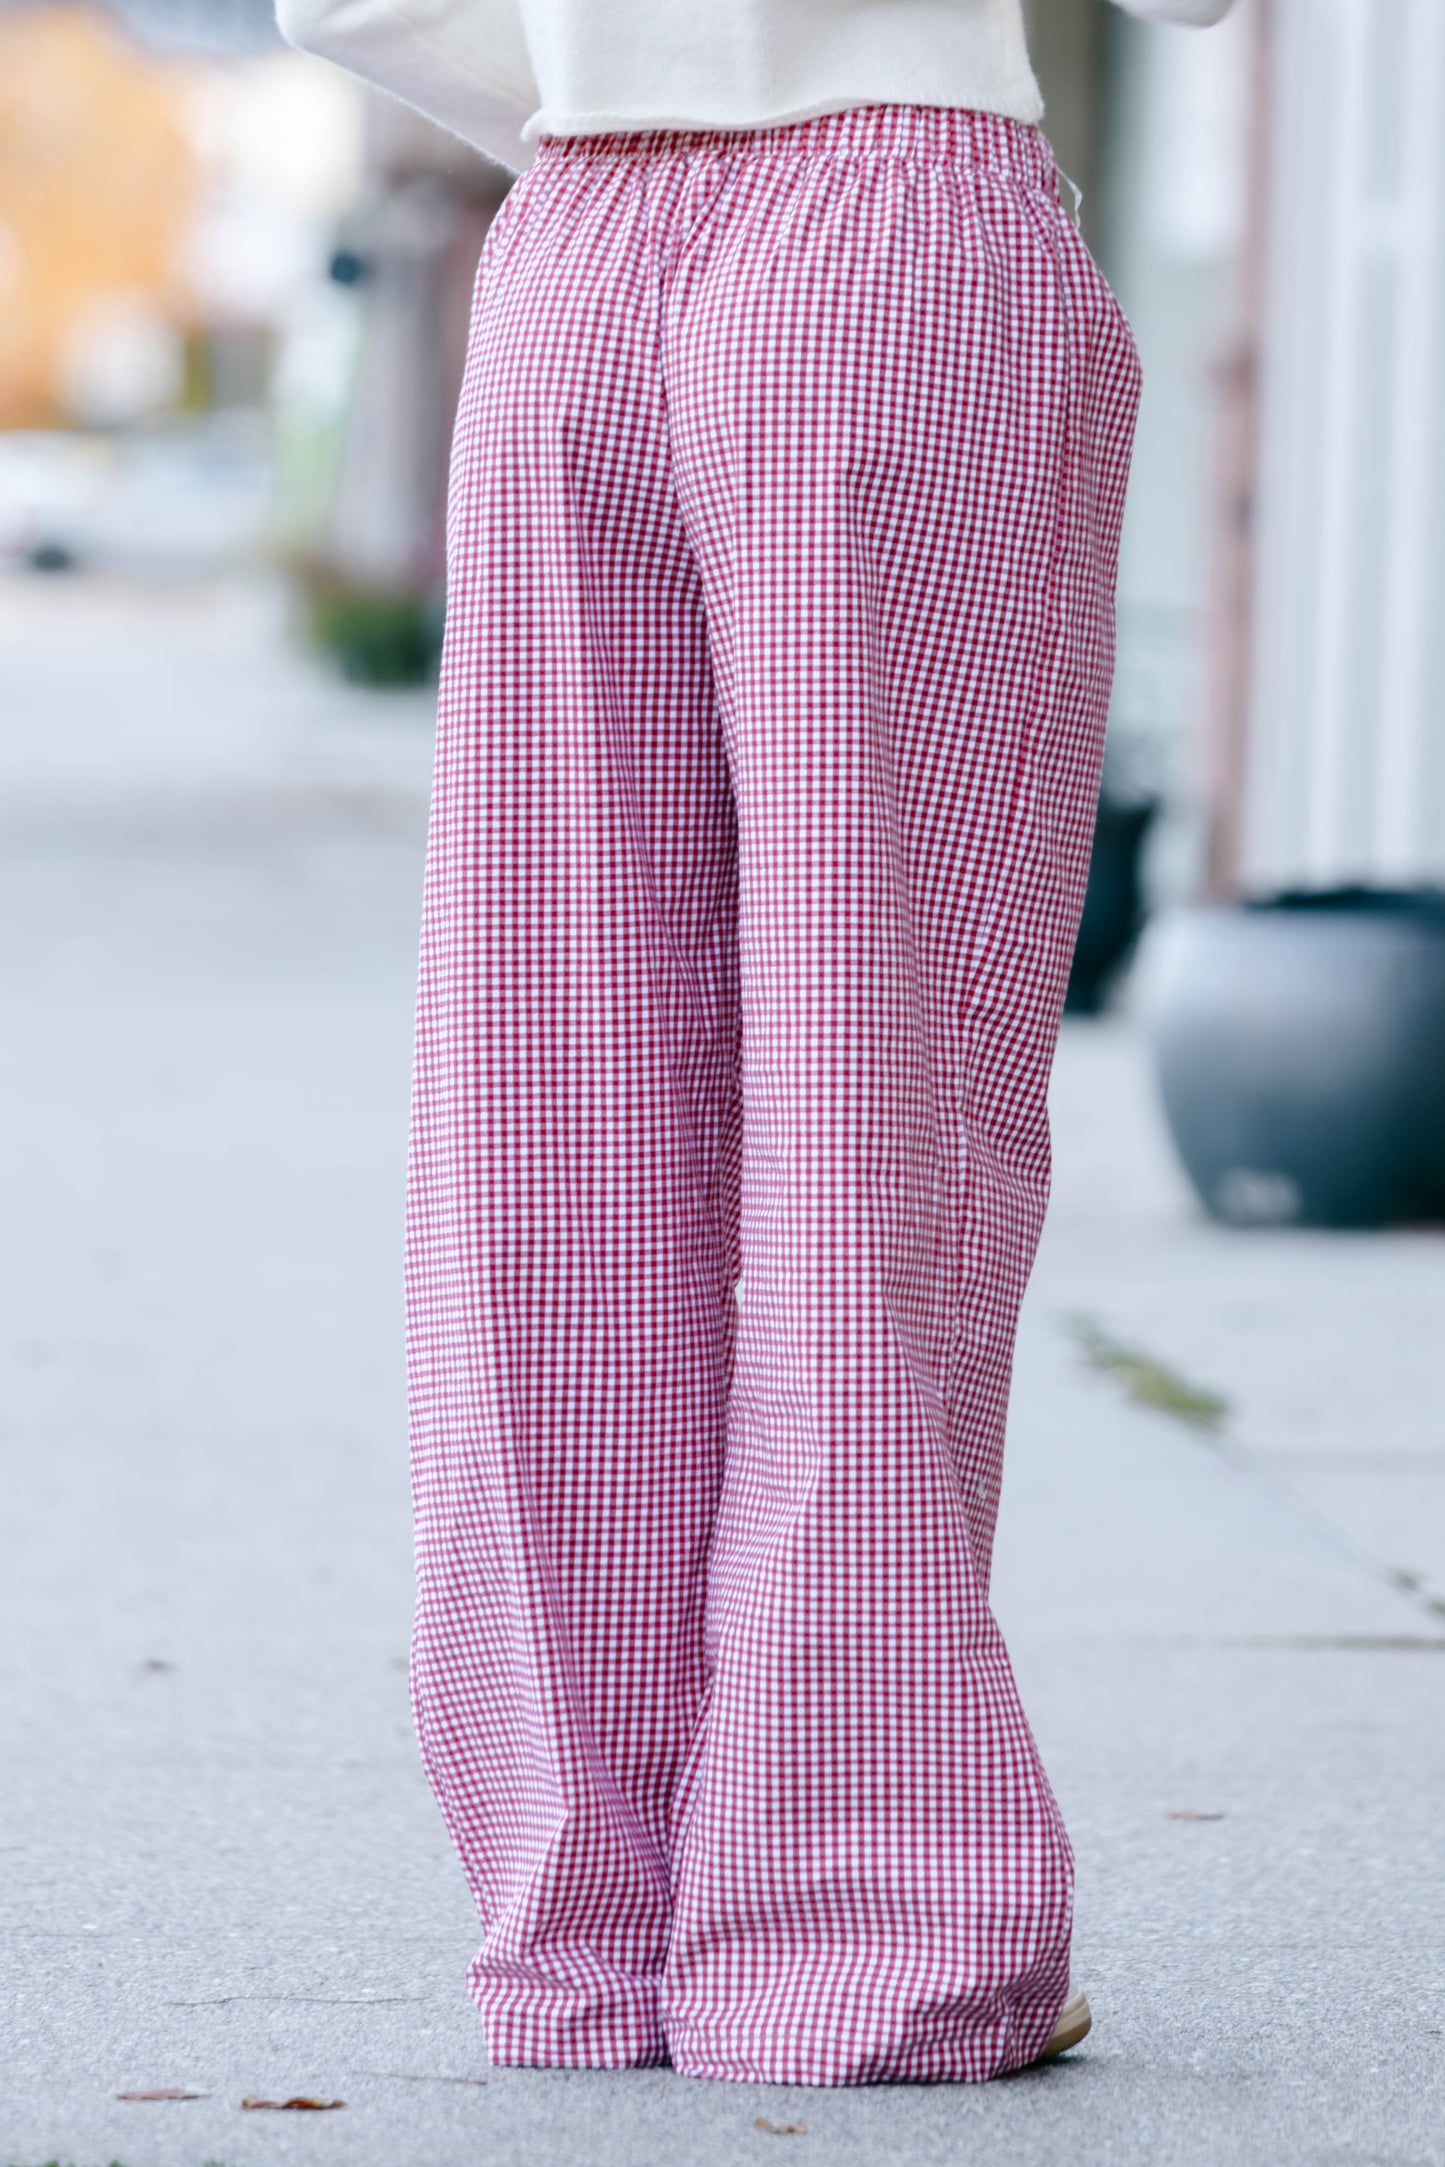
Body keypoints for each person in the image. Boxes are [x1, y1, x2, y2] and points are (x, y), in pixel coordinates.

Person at [278, 0, 1235, 2088]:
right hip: (896, 241)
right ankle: (853, 1933)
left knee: (553, 1125)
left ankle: (589, 1926)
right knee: (881, 1094)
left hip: (574, 260)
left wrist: (602, 85)